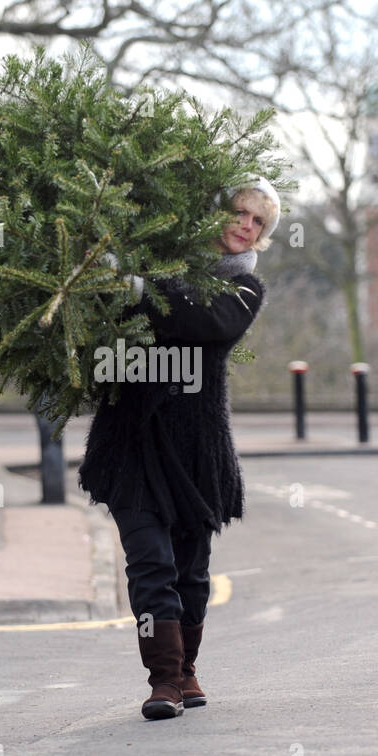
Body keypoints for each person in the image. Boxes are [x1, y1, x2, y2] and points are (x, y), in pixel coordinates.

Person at [78, 176, 280, 720]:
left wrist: (146, 287)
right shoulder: (149, 264)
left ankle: (188, 668)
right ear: (215, 214)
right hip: (131, 442)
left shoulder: (243, 290)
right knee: (150, 565)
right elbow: (106, 334)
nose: (246, 226)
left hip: (198, 448)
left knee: (191, 571)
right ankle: (164, 680)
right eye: (240, 212)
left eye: (258, 221)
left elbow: (205, 322)